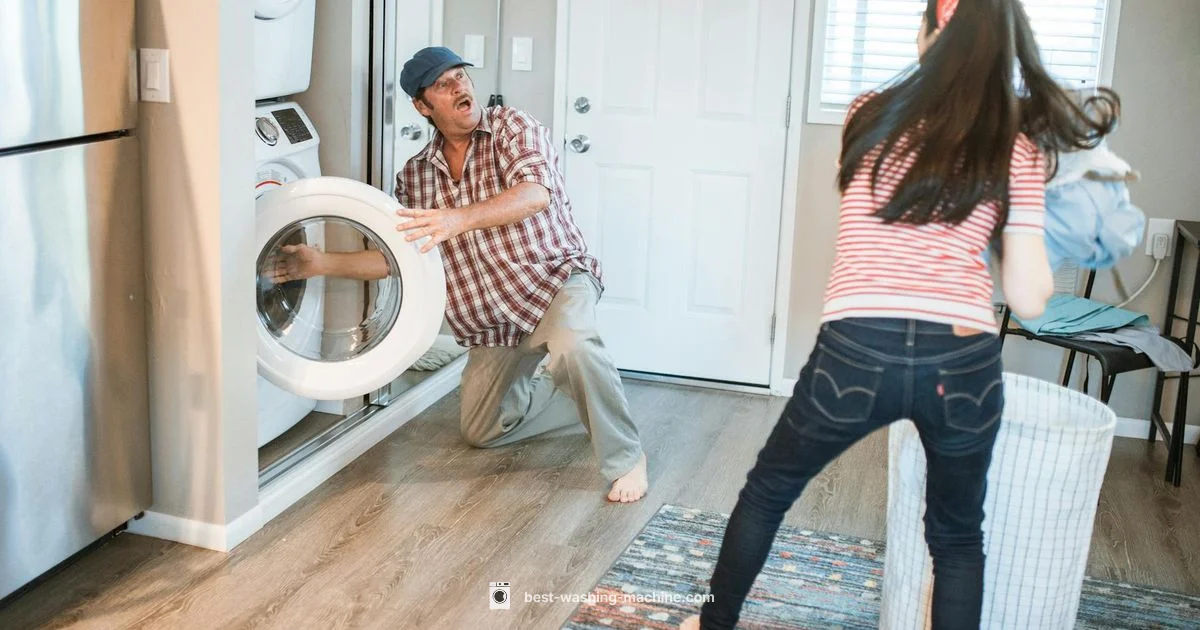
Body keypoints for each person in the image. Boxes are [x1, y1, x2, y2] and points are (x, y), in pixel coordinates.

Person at [680, 0, 1118, 628]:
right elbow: (1027, 299)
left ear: (931, 32)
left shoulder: (866, 113)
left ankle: (710, 625)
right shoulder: (1014, 146)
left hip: (857, 348)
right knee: (958, 539)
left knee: (767, 492)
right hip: (962, 361)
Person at [271, 47, 648, 503]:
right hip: (492, 323)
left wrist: (456, 219)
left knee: (574, 344)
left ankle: (626, 458)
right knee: (483, 431)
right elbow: (398, 259)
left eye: (461, 76)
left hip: (552, 284)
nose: (460, 87)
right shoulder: (414, 178)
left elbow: (534, 194)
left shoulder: (513, 126)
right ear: (423, 106)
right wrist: (321, 263)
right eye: (443, 84)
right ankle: (581, 394)